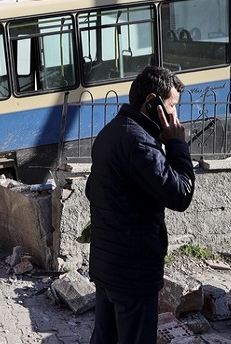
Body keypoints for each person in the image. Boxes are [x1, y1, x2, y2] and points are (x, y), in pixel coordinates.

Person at [86, 65, 195, 344]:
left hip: (108, 266)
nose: (176, 117)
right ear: (152, 103)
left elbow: (93, 191)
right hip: (132, 276)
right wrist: (176, 145)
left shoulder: (111, 132)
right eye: (172, 107)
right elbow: (181, 193)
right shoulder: (140, 144)